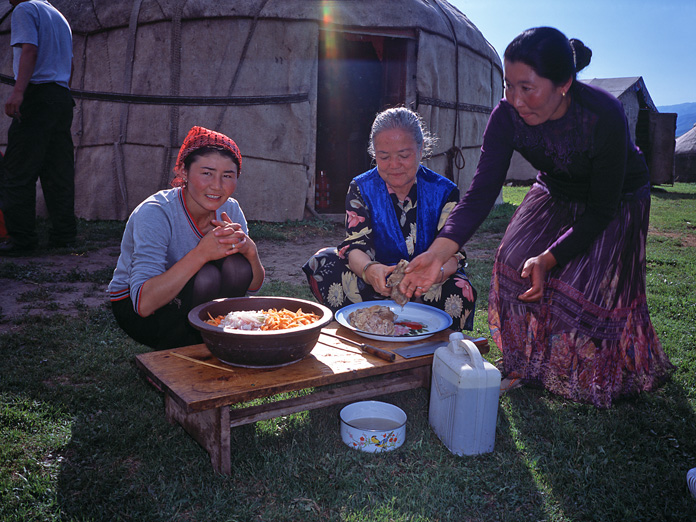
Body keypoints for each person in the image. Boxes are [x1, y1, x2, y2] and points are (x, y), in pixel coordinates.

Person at [400, 27, 673, 408]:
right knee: (513, 262)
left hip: (617, 198)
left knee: (586, 284)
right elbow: (480, 194)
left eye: (527, 88)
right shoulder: (506, 115)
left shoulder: (602, 115)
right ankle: (524, 364)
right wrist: (437, 253)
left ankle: (590, 374)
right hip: (557, 189)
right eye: (508, 85)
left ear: (563, 84)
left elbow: (600, 210)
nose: (515, 99)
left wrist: (550, 256)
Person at [302, 107, 477, 332]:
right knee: (324, 261)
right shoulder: (361, 187)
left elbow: (454, 254)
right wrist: (370, 271)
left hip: (429, 281)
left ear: (421, 149)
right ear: (374, 153)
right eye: (383, 157)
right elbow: (355, 246)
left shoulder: (444, 191)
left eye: (404, 155)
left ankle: (435, 342)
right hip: (376, 282)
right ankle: (367, 323)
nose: (394, 165)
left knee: (459, 288)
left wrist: (432, 274)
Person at [108, 126, 265, 350]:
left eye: (227, 176)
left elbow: (251, 286)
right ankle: (193, 347)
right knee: (208, 275)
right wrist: (202, 253)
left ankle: (215, 341)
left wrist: (251, 252)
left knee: (237, 266)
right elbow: (143, 304)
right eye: (207, 173)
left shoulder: (229, 209)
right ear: (183, 171)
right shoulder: (155, 212)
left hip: (191, 298)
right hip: (142, 312)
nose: (217, 186)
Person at [0, 0, 76, 255]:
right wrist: (61, 90)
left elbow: (29, 50)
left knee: (17, 170)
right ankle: (64, 236)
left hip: (38, 94)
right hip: (61, 96)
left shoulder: (24, 9)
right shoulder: (58, 15)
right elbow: (70, 63)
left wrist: (19, 92)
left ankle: (22, 239)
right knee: (58, 171)